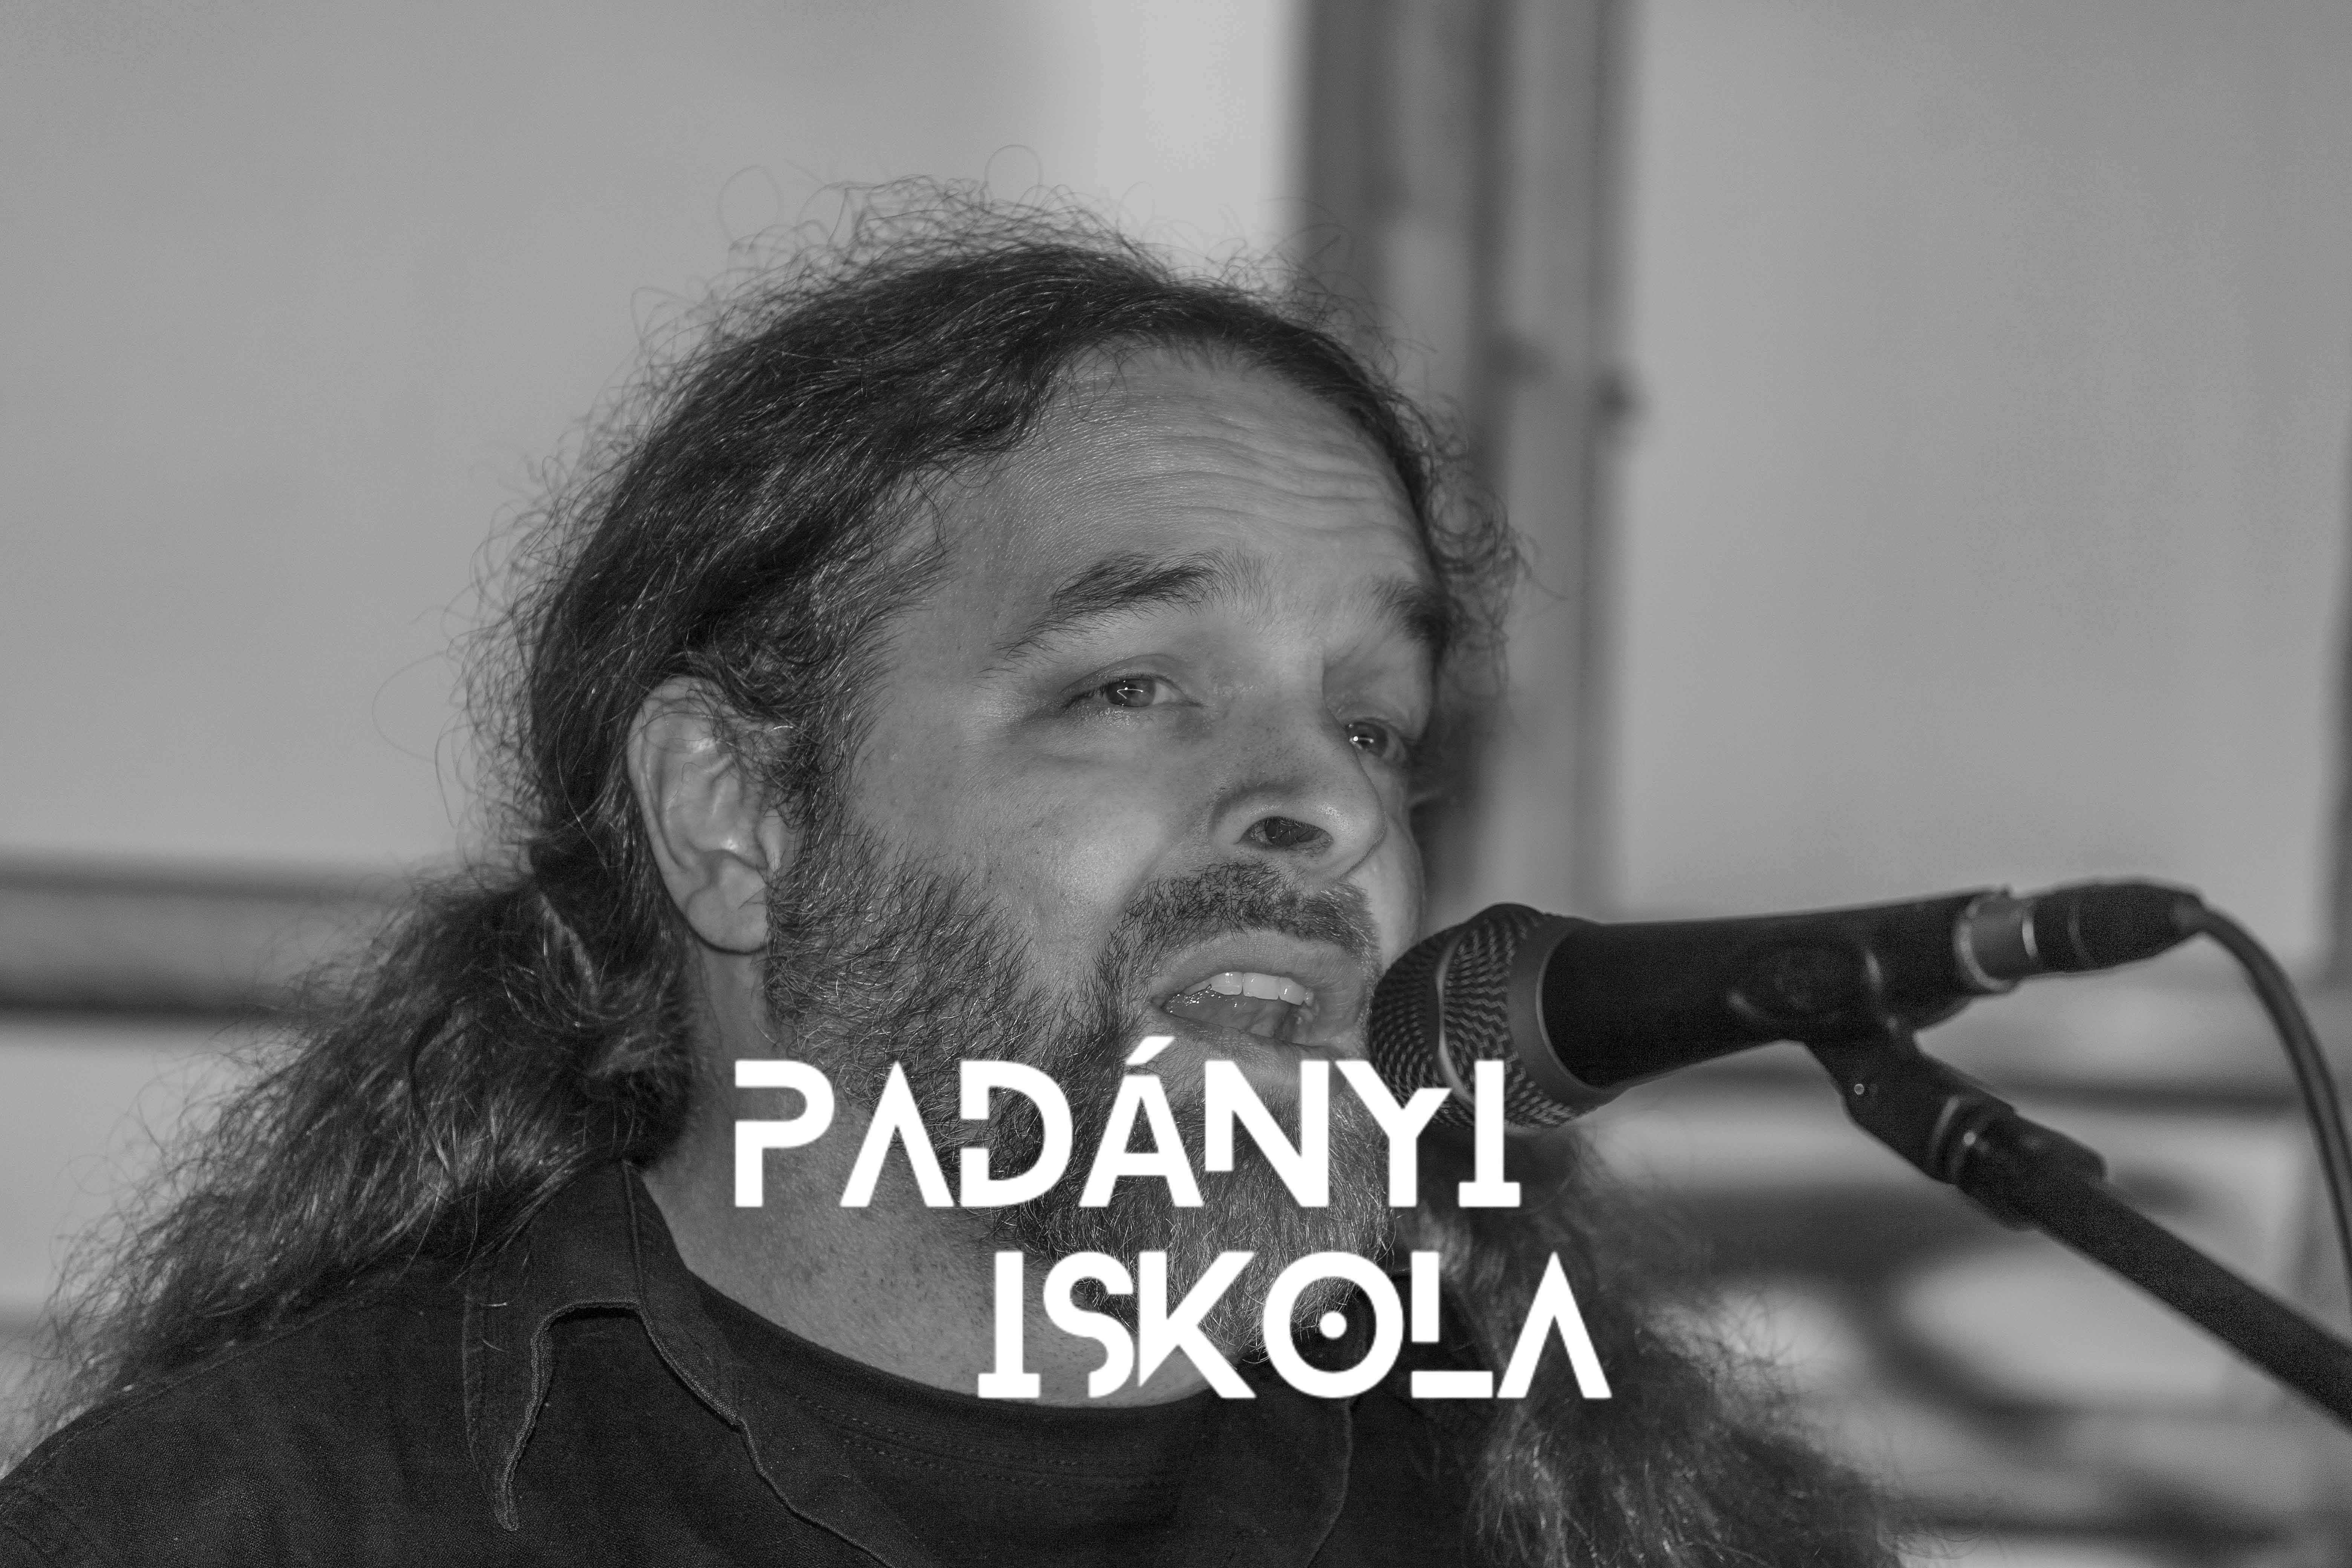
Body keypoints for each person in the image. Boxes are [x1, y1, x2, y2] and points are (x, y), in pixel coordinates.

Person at [0, 196, 1894, 1566]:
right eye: (1132, 687)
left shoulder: (1566, 1512)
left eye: (1373, 722)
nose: (1327, 799)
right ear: (736, 815)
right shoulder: (259, 1520)